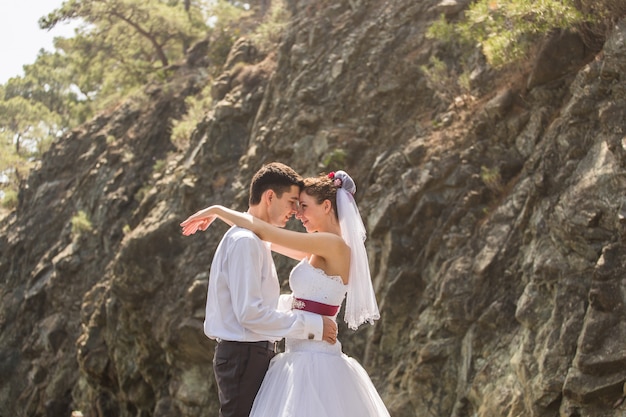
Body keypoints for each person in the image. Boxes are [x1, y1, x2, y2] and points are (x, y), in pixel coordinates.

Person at [181, 169, 390, 417]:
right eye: (296, 205)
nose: (298, 214)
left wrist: (217, 210)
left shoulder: (332, 245)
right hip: (295, 354)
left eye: (303, 206)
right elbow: (263, 236)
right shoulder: (319, 248)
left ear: (325, 206)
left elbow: (267, 233)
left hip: (314, 360)